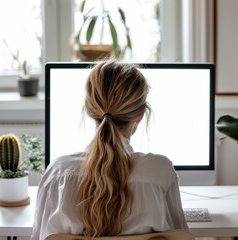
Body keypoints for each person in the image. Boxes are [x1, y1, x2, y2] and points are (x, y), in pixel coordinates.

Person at [31, 59, 188, 240]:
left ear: (89, 110)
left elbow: (40, 237)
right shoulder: (160, 171)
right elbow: (179, 236)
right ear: (140, 114)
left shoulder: (57, 174)